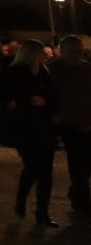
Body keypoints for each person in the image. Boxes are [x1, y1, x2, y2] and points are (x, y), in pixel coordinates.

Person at [0, 40, 58, 227]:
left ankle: (42, 212)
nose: (46, 55)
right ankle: (22, 200)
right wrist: (10, 100)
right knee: (34, 166)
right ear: (32, 54)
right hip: (23, 126)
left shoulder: (44, 73)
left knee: (46, 170)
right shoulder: (16, 72)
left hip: (43, 126)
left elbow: (54, 96)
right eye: (42, 52)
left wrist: (45, 101)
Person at [50, 35, 91, 216]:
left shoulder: (87, 68)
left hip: (88, 121)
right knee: (78, 162)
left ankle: (77, 193)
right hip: (68, 123)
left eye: (79, 50)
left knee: (86, 162)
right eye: (73, 51)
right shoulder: (52, 70)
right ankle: (81, 200)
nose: (77, 54)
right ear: (62, 51)